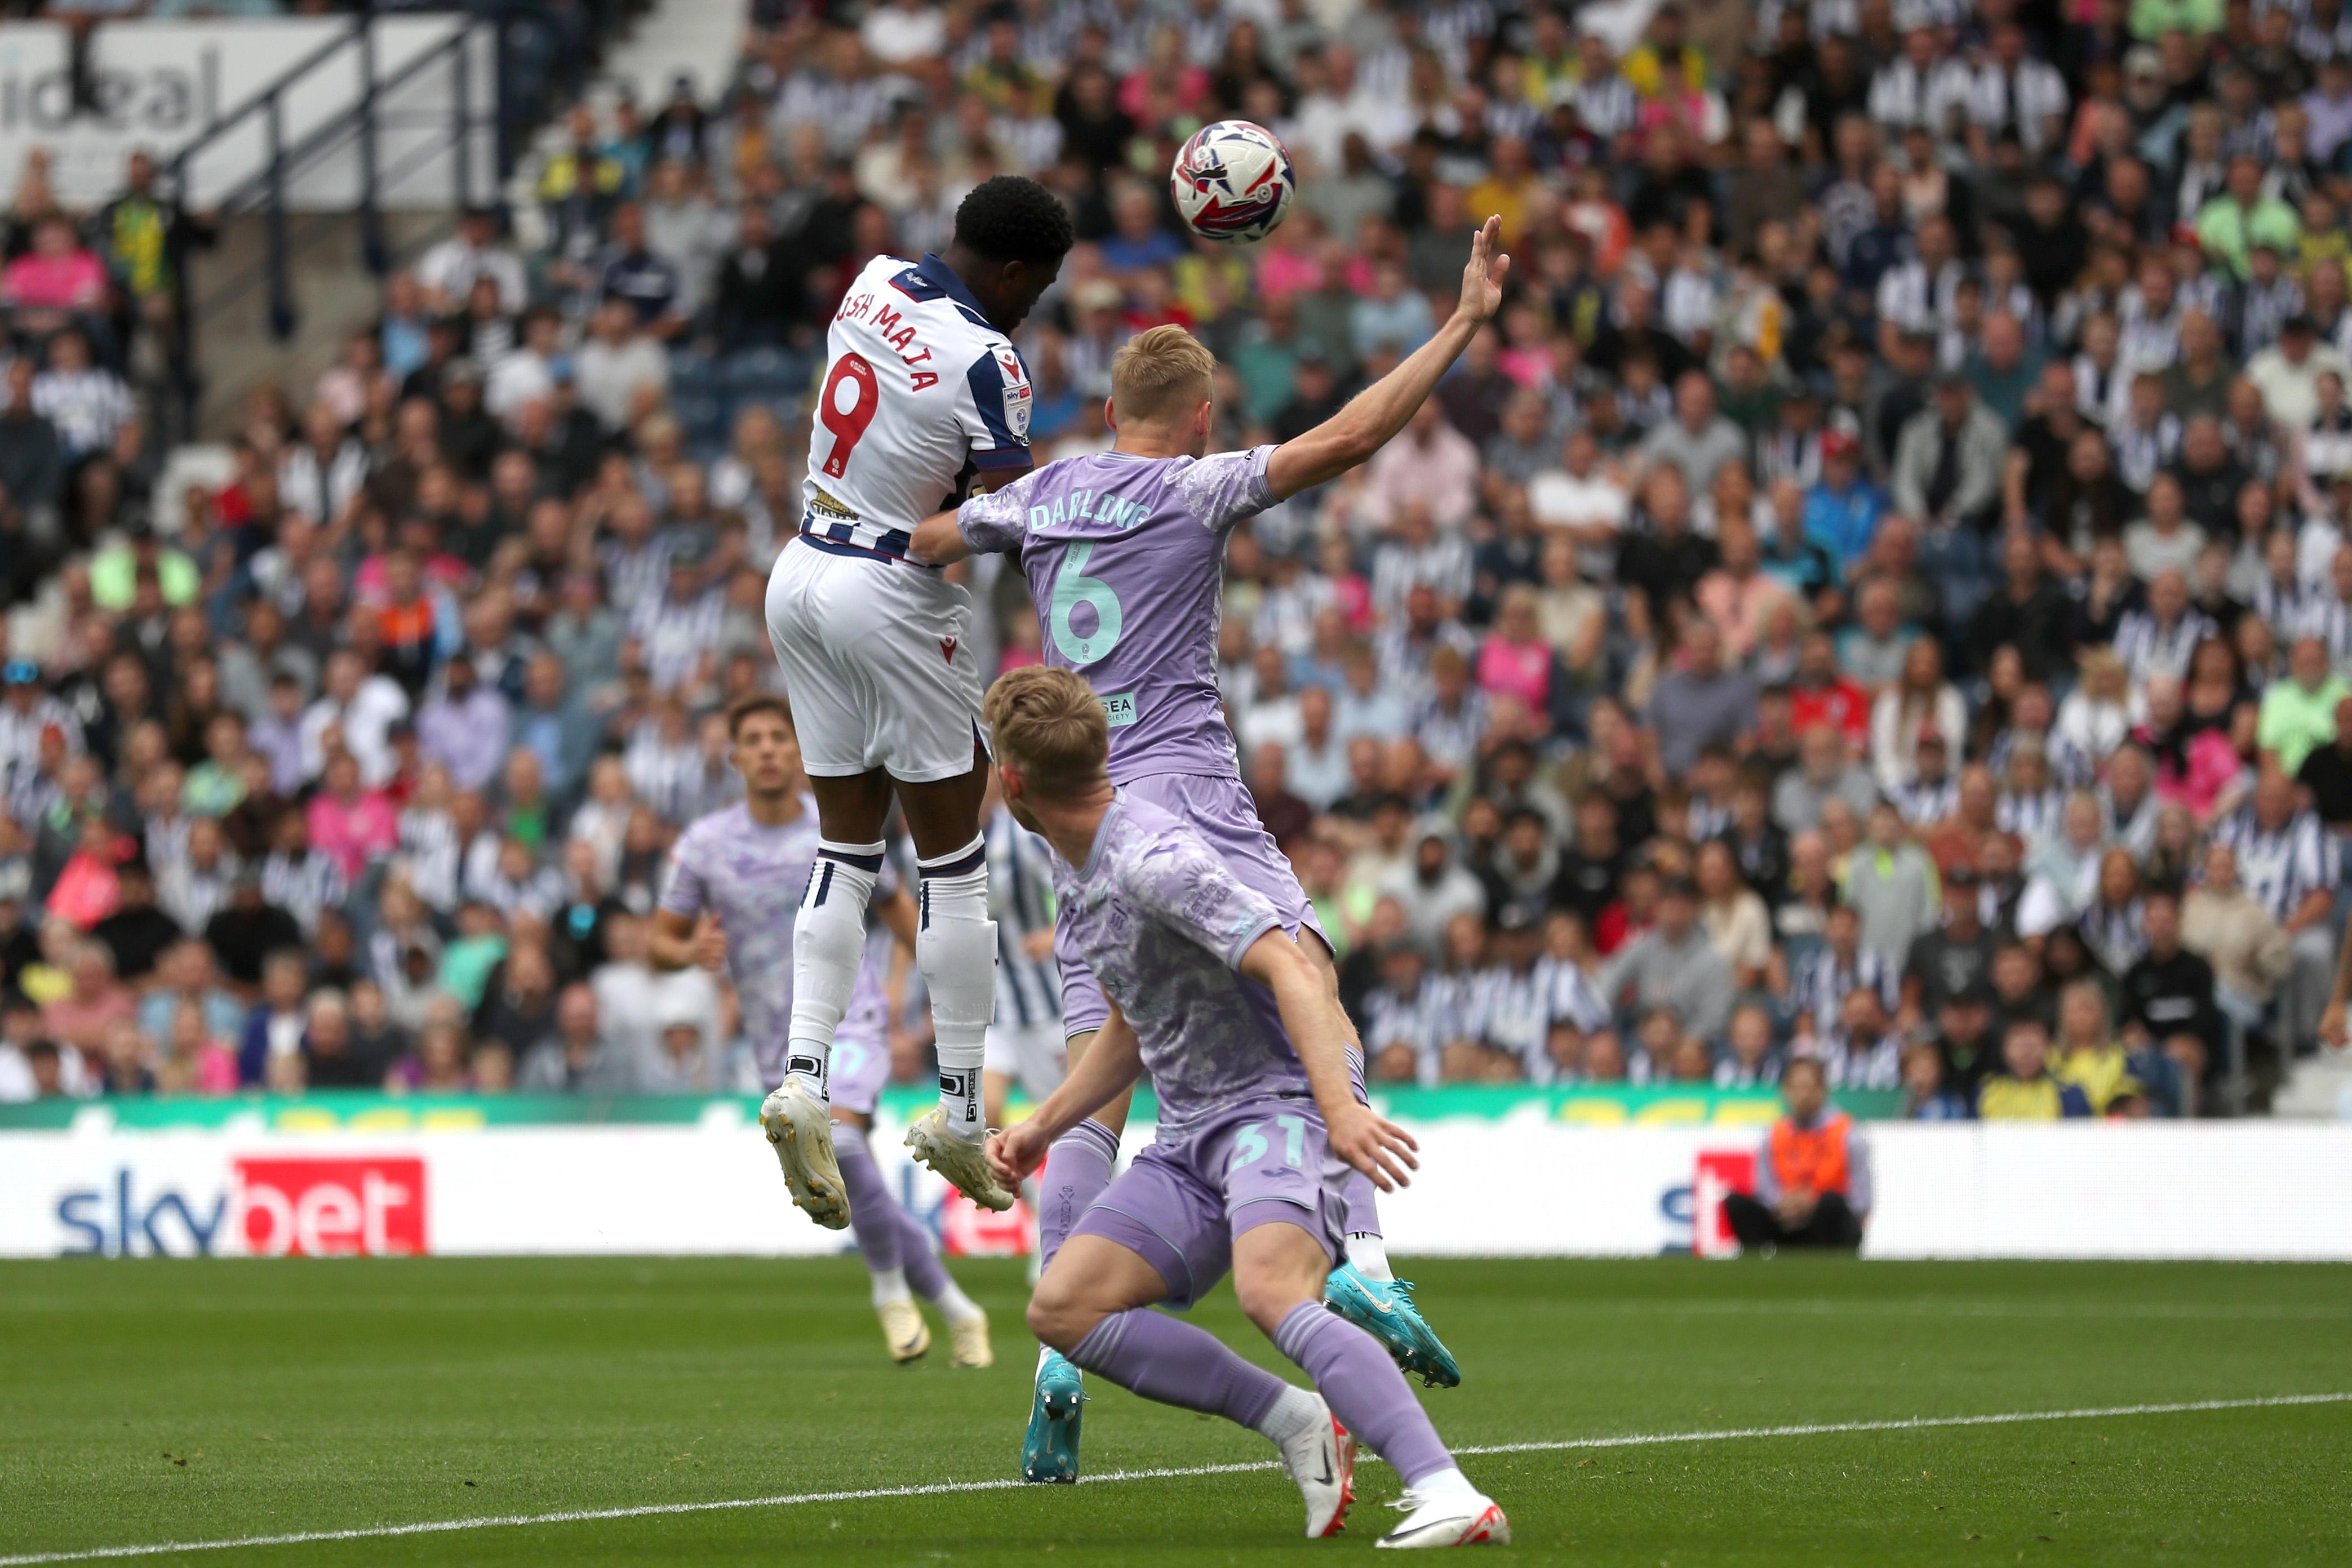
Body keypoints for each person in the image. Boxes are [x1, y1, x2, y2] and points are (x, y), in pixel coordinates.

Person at [917, 217, 1511, 1477]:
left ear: (1110, 404)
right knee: (1295, 968)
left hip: (1066, 808)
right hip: (1181, 800)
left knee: (1101, 1066)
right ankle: (1361, 1257)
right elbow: (1349, 437)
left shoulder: (1037, 493)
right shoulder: (1190, 484)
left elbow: (921, 542)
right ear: (1195, 416)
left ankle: (1058, 1351)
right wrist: (1459, 324)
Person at [980, 667, 1507, 1549]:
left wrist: (1337, 1110)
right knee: (1062, 1308)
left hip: (1275, 1112)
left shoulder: (1152, 856)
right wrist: (1042, 1124)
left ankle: (1446, 1487)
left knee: (1272, 1291)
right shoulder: (1081, 866)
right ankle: (1296, 1420)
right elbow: (1132, 1018)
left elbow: (1288, 965)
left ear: (1012, 780)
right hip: (1190, 1137)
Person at [760, 175, 1073, 1225]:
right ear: (1018, 271)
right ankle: (956, 1107)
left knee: (844, 847)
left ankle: (802, 1076)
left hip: (799, 570)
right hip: (892, 595)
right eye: (1039, 288)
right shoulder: (993, 360)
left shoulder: (872, 279)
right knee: (953, 863)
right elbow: (1007, 511)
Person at [651, 693, 991, 1367]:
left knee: (839, 1138)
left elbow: (902, 913)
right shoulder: (705, 846)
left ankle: (889, 1291)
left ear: (801, 754)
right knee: (849, 1166)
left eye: (782, 736)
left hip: (852, 1015)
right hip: (774, 1039)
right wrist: (688, 951)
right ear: (736, 757)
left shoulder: (838, 828)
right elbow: (656, 940)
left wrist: (904, 996)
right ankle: (958, 1309)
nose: (771, 748)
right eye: (756, 738)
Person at [1721, 1058, 1871, 1251]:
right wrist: (1783, 1203)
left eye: (1809, 1088)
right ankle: (1757, 1269)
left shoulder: (1848, 1134)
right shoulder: (1774, 1135)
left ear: (1822, 1091)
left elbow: (1863, 1199)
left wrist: (1813, 1204)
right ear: (1786, 1092)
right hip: (1787, 1219)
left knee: (1831, 1203)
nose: (1803, 1096)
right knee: (1736, 1203)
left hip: (1831, 1224)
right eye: (1796, 1088)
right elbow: (1763, 1188)